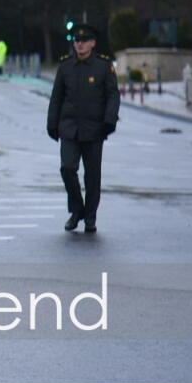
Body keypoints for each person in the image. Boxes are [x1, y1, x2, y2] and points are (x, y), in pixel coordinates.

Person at [47, 23, 119, 233]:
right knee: (67, 168)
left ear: (93, 43)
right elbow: (56, 96)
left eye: (84, 41)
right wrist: (52, 124)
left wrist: (109, 120)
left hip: (94, 129)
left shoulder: (103, 66)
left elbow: (113, 95)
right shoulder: (66, 66)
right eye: (76, 40)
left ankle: (90, 216)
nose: (79, 44)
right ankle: (77, 209)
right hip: (69, 128)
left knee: (92, 176)